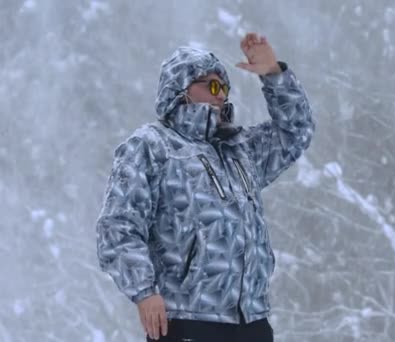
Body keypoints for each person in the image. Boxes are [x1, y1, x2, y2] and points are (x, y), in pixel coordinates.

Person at [95, 32, 315, 341]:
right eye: (211, 86)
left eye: (224, 87)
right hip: (187, 320)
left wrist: (273, 75)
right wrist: (144, 292)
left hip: (251, 321)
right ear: (179, 90)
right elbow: (118, 226)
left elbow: (296, 132)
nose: (221, 94)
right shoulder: (152, 146)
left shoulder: (240, 149)